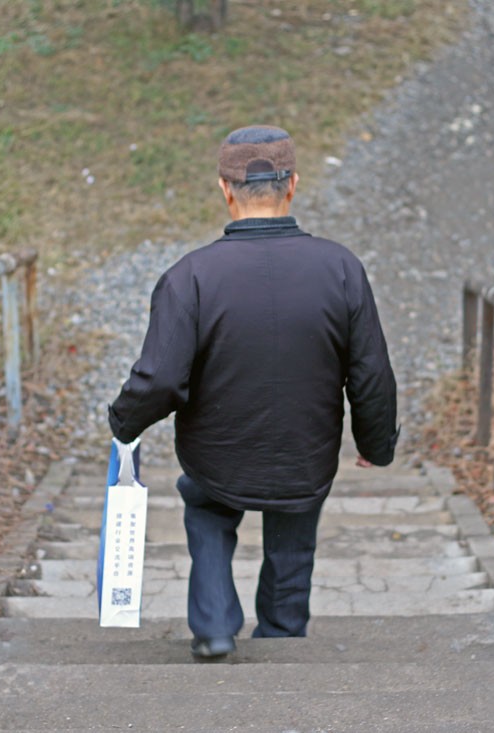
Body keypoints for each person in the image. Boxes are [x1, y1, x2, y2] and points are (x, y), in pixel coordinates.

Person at [108, 124, 398, 659]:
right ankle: (284, 639)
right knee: (294, 538)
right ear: (294, 186)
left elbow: (162, 377)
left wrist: (125, 423)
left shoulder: (189, 276)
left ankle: (215, 625)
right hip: (304, 453)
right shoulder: (341, 268)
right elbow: (371, 371)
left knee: (207, 510)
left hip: (217, 452)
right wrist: (375, 443)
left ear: (223, 188)